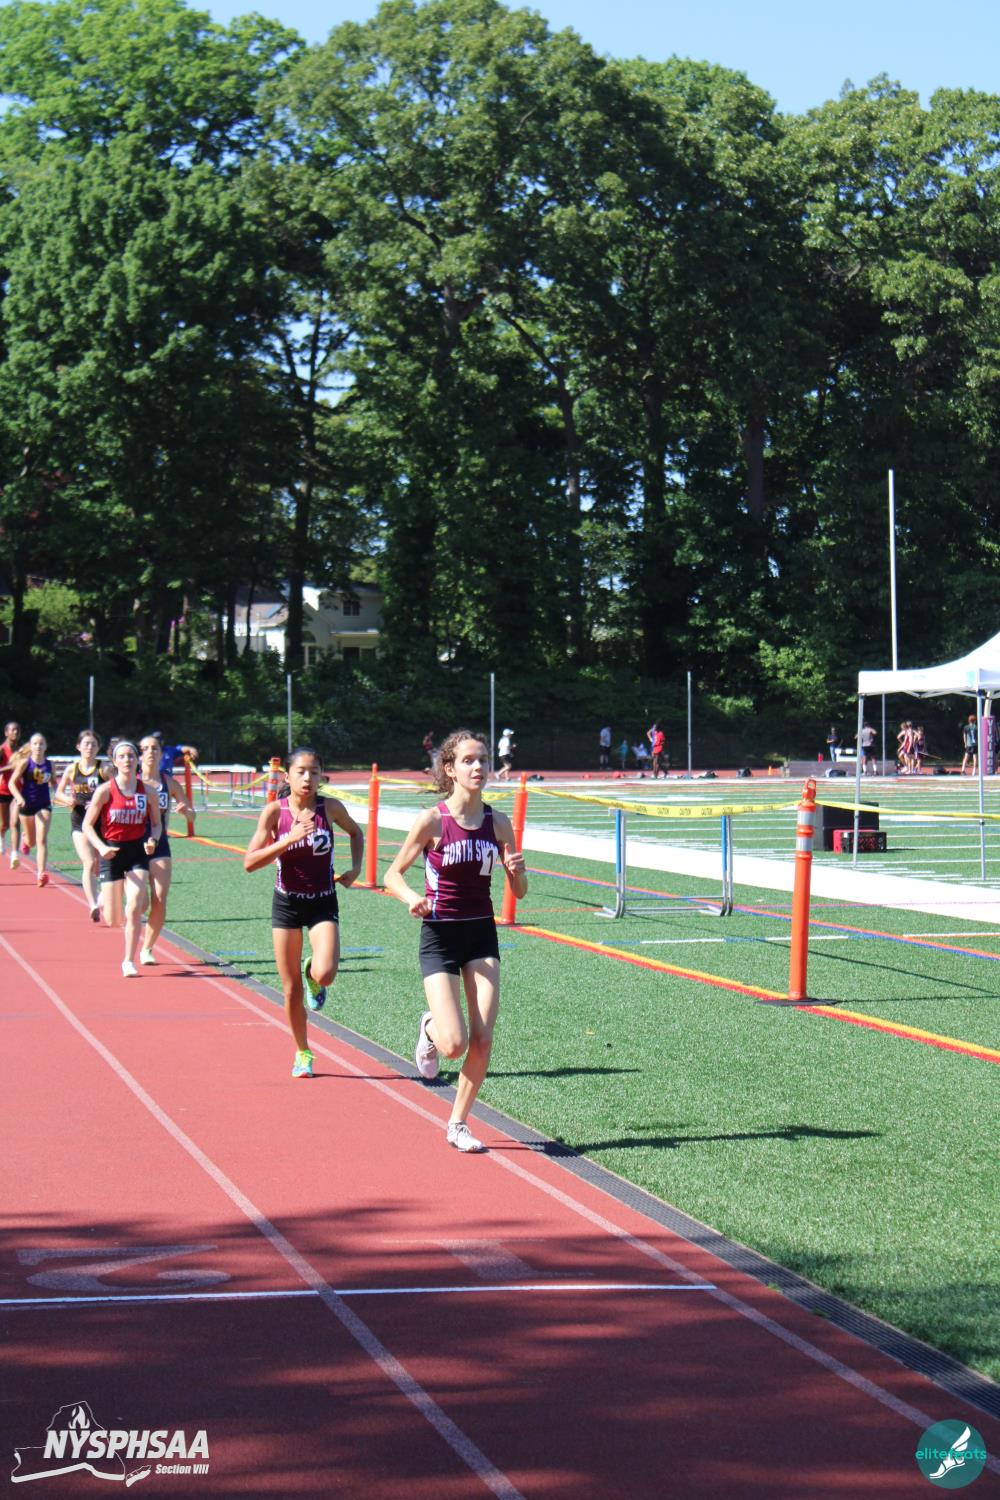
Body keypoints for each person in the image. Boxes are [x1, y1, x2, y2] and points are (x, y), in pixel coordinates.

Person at [383, 730, 527, 1153]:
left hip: (481, 934)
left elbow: (519, 892)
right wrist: (411, 898)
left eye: (483, 759)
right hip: (440, 935)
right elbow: (392, 874)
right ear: (450, 769)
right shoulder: (433, 820)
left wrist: (517, 872)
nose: (478, 767)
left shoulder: (498, 822)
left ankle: (458, 1123)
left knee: (483, 1038)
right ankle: (430, 1027)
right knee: (453, 1044)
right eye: (468, 760)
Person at [244, 747, 363, 1079]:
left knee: (326, 974)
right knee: (290, 989)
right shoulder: (274, 812)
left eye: (314, 771)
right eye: (301, 771)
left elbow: (356, 833)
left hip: (323, 900)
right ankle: (303, 1051)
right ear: (288, 776)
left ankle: (313, 975)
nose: (308, 778)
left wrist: (355, 868)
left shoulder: (330, 808)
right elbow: (249, 862)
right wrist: (288, 839)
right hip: (287, 903)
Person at [83, 740, 161, 975]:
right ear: (115, 762)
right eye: (122, 756)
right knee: (113, 919)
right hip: (112, 852)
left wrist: (152, 840)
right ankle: (105, 898)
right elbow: (87, 825)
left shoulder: (148, 792)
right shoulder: (105, 791)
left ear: (137, 761)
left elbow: (157, 825)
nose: (127, 760)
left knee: (134, 908)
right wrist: (100, 847)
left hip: (137, 852)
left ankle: (128, 961)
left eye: (131, 756)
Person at [137, 733, 198, 965]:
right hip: (134, 845)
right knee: (141, 903)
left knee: (160, 898)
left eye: (155, 748)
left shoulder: (169, 783)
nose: (150, 753)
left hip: (160, 844)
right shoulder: (132, 781)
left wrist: (186, 811)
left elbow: (192, 815)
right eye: (145, 749)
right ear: (139, 755)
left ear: (162, 754)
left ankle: (147, 948)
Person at [55, 730, 110, 918]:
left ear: (98, 748)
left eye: (93, 744)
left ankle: (102, 897)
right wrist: (67, 800)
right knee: (89, 862)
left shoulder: (104, 769)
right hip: (80, 821)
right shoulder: (72, 769)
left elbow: (116, 790)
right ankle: (93, 905)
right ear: (78, 746)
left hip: (101, 822)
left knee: (104, 864)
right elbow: (58, 792)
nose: (90, 747)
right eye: (86, 744)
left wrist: (99, 802)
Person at [8, 733, 55, 887]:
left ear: (45, 746)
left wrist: (57, 793)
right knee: (32, 841)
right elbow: (11, 783)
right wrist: (18, 798)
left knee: (42, 839)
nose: (38, 746)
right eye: (35, 743)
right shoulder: (25, 763)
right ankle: (25, 839)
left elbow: (54, 783)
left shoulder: (50, 764)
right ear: (31, 746)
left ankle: (41, 873)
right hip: (26, 805)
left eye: (41, 743)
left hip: (44, 804)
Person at [0, 720, 21, 865]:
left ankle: (14, 854)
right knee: (4, 824)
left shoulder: (21, 751)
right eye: (12, 730)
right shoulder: (2, 750)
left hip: (17, 791)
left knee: (15, 823)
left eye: (17, 730)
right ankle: (1, 837)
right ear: (6, 733)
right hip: (3, 790)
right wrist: (11, 767)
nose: (15, 732)